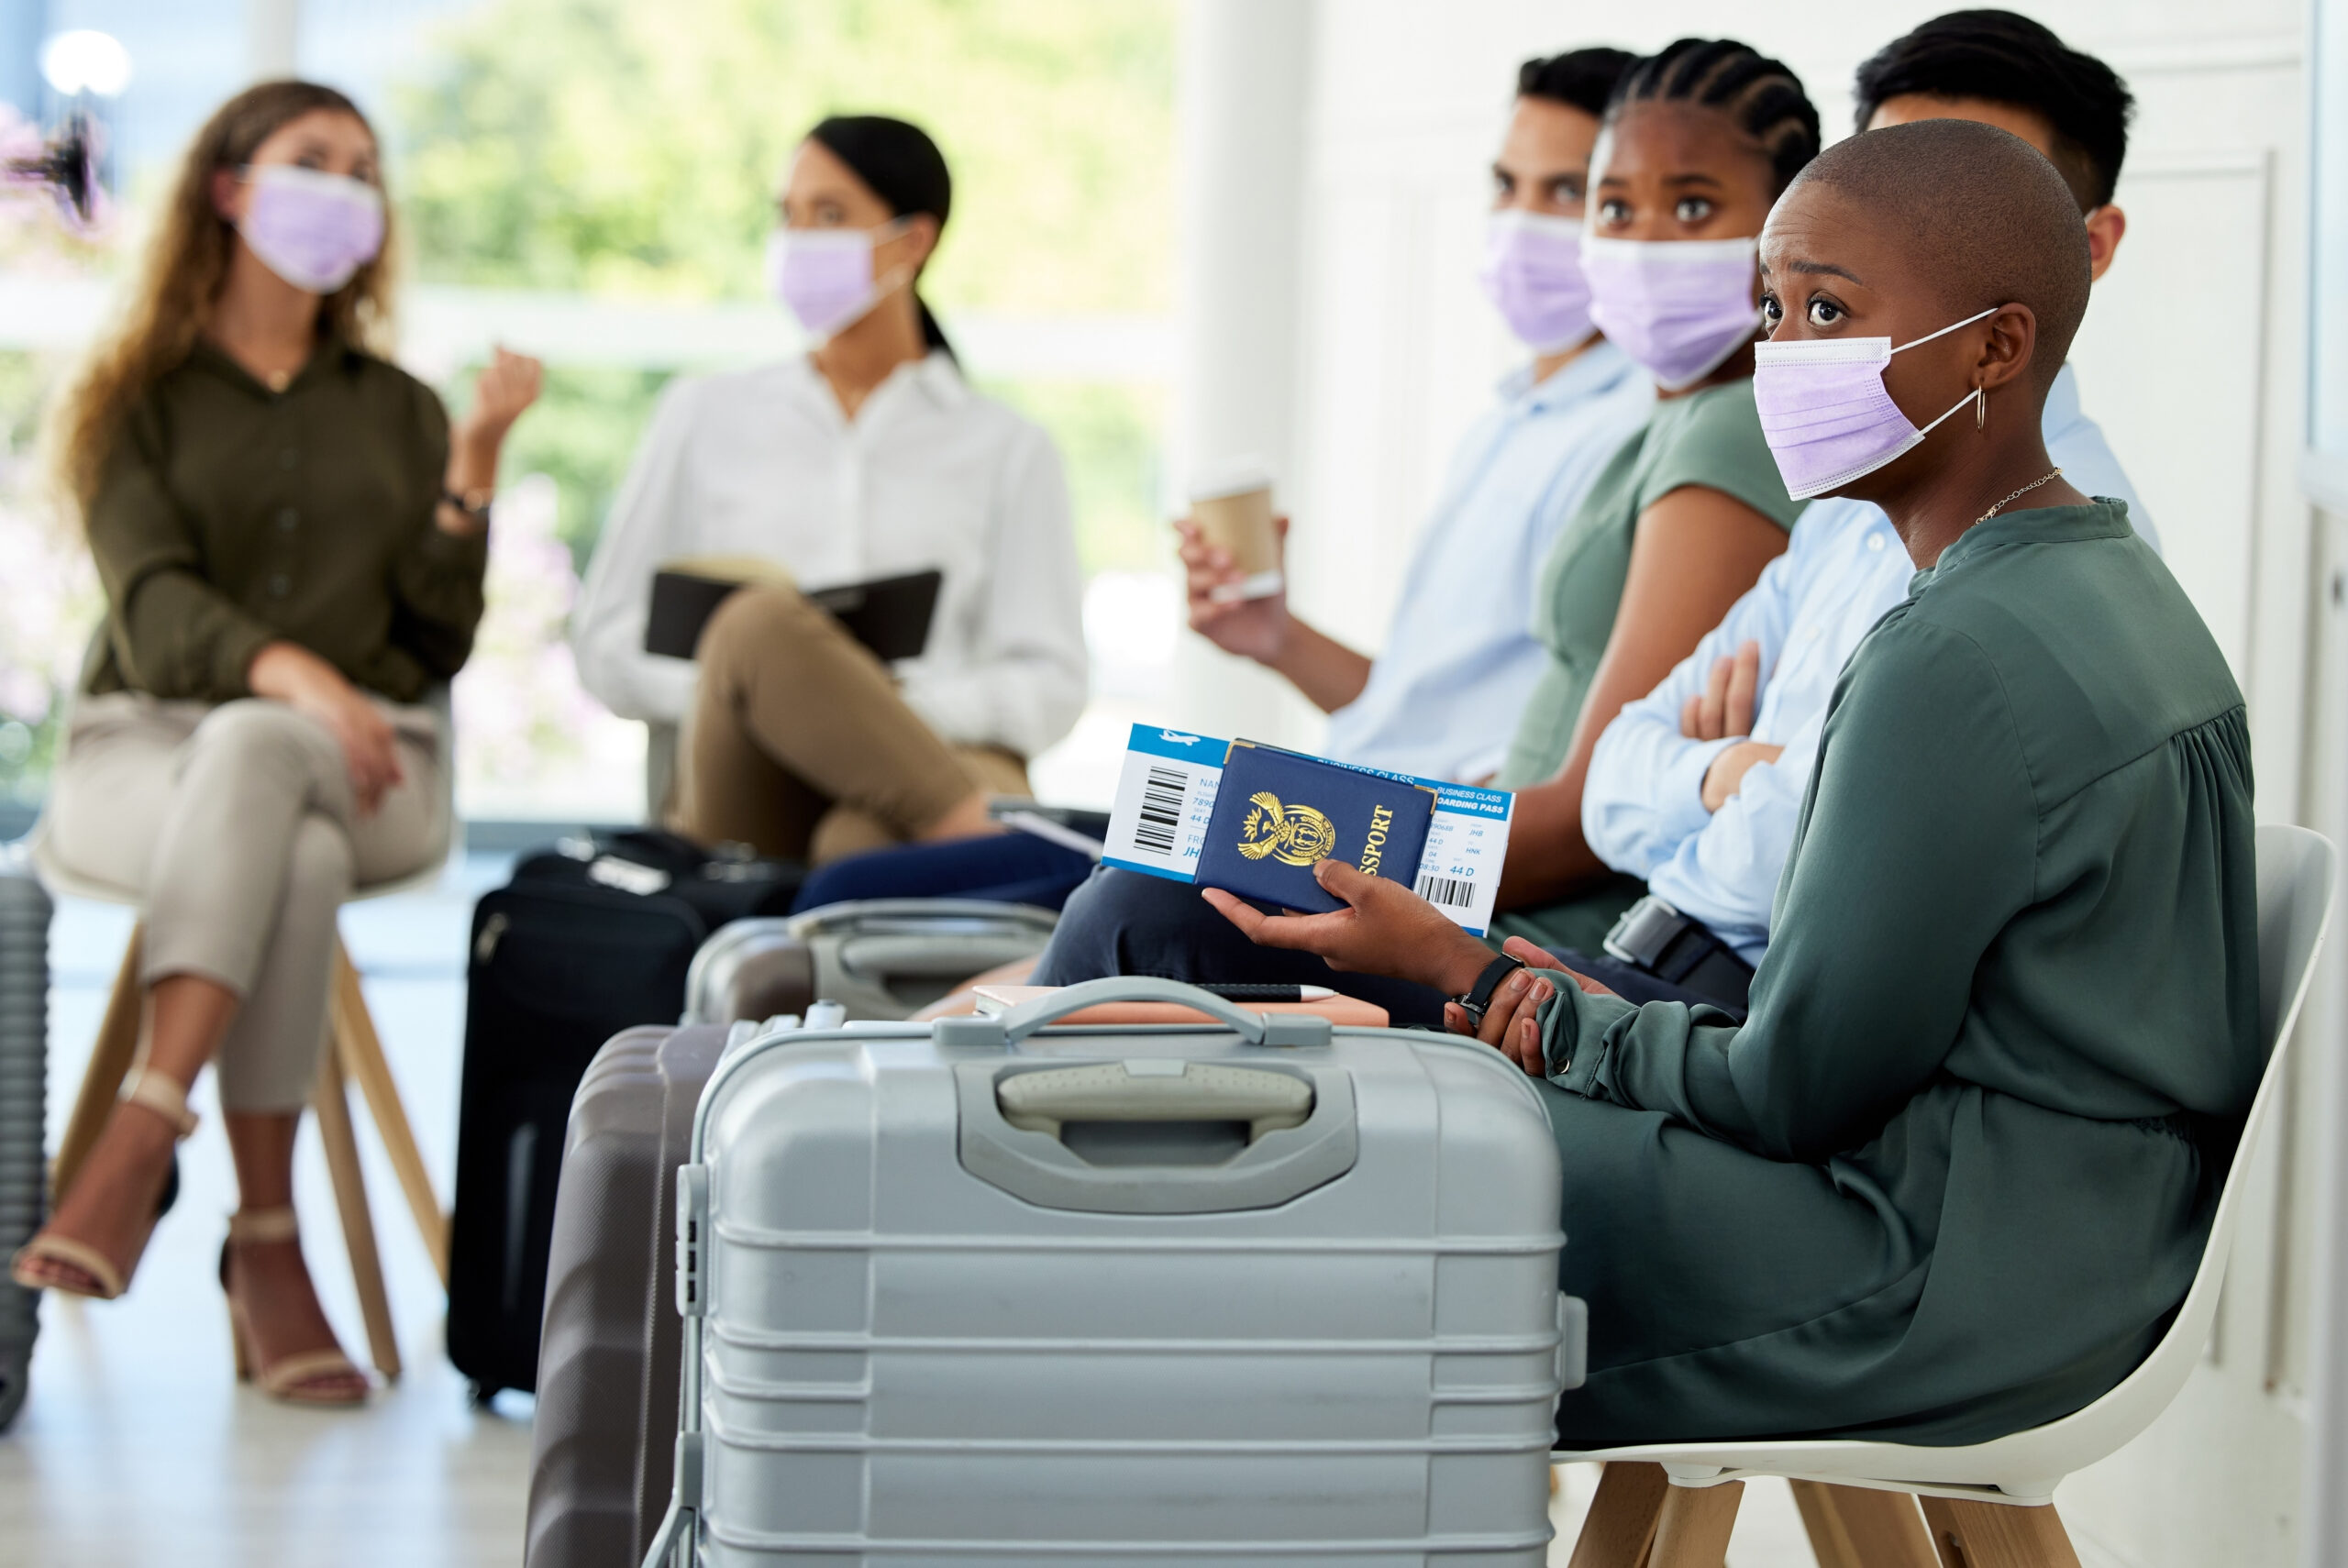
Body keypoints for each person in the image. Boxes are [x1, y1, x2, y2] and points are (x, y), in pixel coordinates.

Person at [1208, 116, 2256, 1446]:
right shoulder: (2098, 574)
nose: (1781, 357)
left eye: (1829, 310)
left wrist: (1481, 979)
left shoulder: (1954, 652)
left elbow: (1793, 1089)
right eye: (1774, 307)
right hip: (2063, 1235)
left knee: (1366, 1152)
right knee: (1381, 1109)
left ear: (1999, 345)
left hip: (1937, 1271)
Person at [1037, 39, 1819, 1021]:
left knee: (1143, 904)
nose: (1646, 240)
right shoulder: (1671, 422)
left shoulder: (1729, 426)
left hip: (1554, 924)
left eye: (1693, 207)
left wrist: (1326, 853)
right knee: (1142, 865)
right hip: (1501, 882)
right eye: (1615, 208)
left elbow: (1588, 813)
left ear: (1787, 229)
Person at [9, 82, 542, 1405]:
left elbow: (431, 648)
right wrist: (293, 670)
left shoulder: (408, 410)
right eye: (314, 160)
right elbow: (153, 603)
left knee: (272, 764)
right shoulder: (135, 395)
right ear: (231, 189)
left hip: (380, 763)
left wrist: (471, 467)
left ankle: (145, 1127)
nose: (346, 188)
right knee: (281, 830)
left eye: (365, 169)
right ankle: (265, 1238)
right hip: (145, 754)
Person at [1576, 10, 2159, 1012]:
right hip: (1648, 967)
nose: (1899, 227)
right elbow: (1608, 785)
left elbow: (1796, 872)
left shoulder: (2056, 542)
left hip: (1742, 1027)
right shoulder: (1857, 485)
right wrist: (1721, 773)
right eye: (1882, 180)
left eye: (1973, 199)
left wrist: (1723, 781)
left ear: (2088, 248)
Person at [571, 116, 1086, 867]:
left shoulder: (1009, 448)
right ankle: (1001, 844)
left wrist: (883, 715)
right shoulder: (704, 415)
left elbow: (1051, 684)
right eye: (789, 215)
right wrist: (771, 698)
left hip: (934, 757)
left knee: (860, 844)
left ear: (914, 241)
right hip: (746, 779)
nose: (799, 238)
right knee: (757, 624)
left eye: (831, 215)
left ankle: (949, 842)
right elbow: (604, 646)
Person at [1180, 46, 1650, 786]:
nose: (1521, 221)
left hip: (1435, 852)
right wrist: (1277, 638)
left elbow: (1544, 763)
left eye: (1567, 191)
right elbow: (1416, 720)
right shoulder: (1509, 416)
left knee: (1120, 898)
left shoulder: (1636, 430)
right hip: (1372, 806)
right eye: (1506, 185)